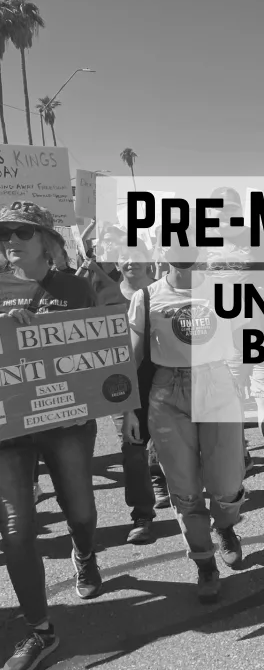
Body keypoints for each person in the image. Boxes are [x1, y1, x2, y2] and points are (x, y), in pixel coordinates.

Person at [0, 202, 102, 670]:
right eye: (4, 235)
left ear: (46, 239)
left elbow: (102, 348)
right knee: (18, 531)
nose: (11, 241)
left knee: (80, 510)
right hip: (9, 431)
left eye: (21, 232)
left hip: (67, 422)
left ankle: (85, 551)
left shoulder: (76, 286)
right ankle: (40, 631)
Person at [122, 240, 247, 603]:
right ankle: (204, 563)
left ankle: (225, 527)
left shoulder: (224, 289)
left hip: (216, 383)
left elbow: (243, 336)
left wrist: (243, 381)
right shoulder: (146, 297)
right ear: (161, 251)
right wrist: (130, 409)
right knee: (185, 489)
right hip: (167, 391)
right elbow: (134, 357)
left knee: (227, 482)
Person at [202, 186, 264, 492]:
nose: (224, 212)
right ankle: (240, 459)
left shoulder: (261, 239)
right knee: (229, 404)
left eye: (230, 207)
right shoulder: (201, 242)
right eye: (218, 207)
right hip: (221, 336)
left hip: (263, 329)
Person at [106, 242, 170, 544]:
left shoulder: (163, 292)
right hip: (122, 385)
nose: (130, 263)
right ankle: (142, 516)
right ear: (117, 264)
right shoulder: (103, 296)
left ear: (148, 263)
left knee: (173, 442)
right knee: (132, 449)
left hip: (166, 380)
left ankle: (171, 488)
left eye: (136, 258)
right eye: (124, 259)